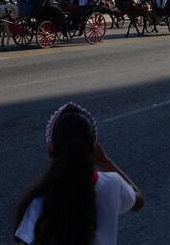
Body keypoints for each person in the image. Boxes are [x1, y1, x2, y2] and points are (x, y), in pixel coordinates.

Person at [14, 102, 143, 245]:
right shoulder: (113, 184)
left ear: (51, 149)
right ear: (92, 146)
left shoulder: (40, 201)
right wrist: (105, 161)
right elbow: (138, 201)